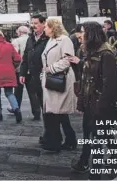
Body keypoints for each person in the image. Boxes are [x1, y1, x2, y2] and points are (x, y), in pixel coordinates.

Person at [71, 22, 117, 178]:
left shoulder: (106, 53)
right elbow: (86, 79)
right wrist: (82, 102)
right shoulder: (92, 52)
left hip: (100, 105)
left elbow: (109, 85)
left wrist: (100, 108)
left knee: (98, 140)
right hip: (91, 103)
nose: (79, 35)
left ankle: (95, 175)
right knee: (107, 139)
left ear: (91, 34)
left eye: (83, 32)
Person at [40, 18, 77, 152]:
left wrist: (51, 69)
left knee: (56, 112)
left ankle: (55, 143)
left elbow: (68, 59)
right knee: (57, 112)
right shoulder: (51, 40)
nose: (44, 29)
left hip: (60, 79)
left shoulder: (64, 40)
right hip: (51, 79)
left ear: (53, 27)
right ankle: (69, 139)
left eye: (46, 27)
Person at [0, 29, 22, 123]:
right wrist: (12, 66)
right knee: (9, 93)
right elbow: (18, 58)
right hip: (9, 71)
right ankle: (16, 109)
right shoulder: (9, 45)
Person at [19, 14, 48, 121]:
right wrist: (22, 73)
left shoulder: (48, 38)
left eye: (36, 23)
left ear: (44, 23)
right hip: (32, 76)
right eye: (32, 23)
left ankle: (51, 131)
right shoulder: (30, 39)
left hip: (45, 76)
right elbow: (25, 57)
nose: (33, 25)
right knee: (37, 99)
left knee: (47, 104)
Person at [11, 26, 29, 114]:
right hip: (30, 69)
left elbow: (14, 55)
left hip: (19, 68)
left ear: (20, 32)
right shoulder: (32, 40)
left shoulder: (16, 41)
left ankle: (16, 108)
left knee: (18, 90)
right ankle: (36, 111)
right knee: (32, 92)